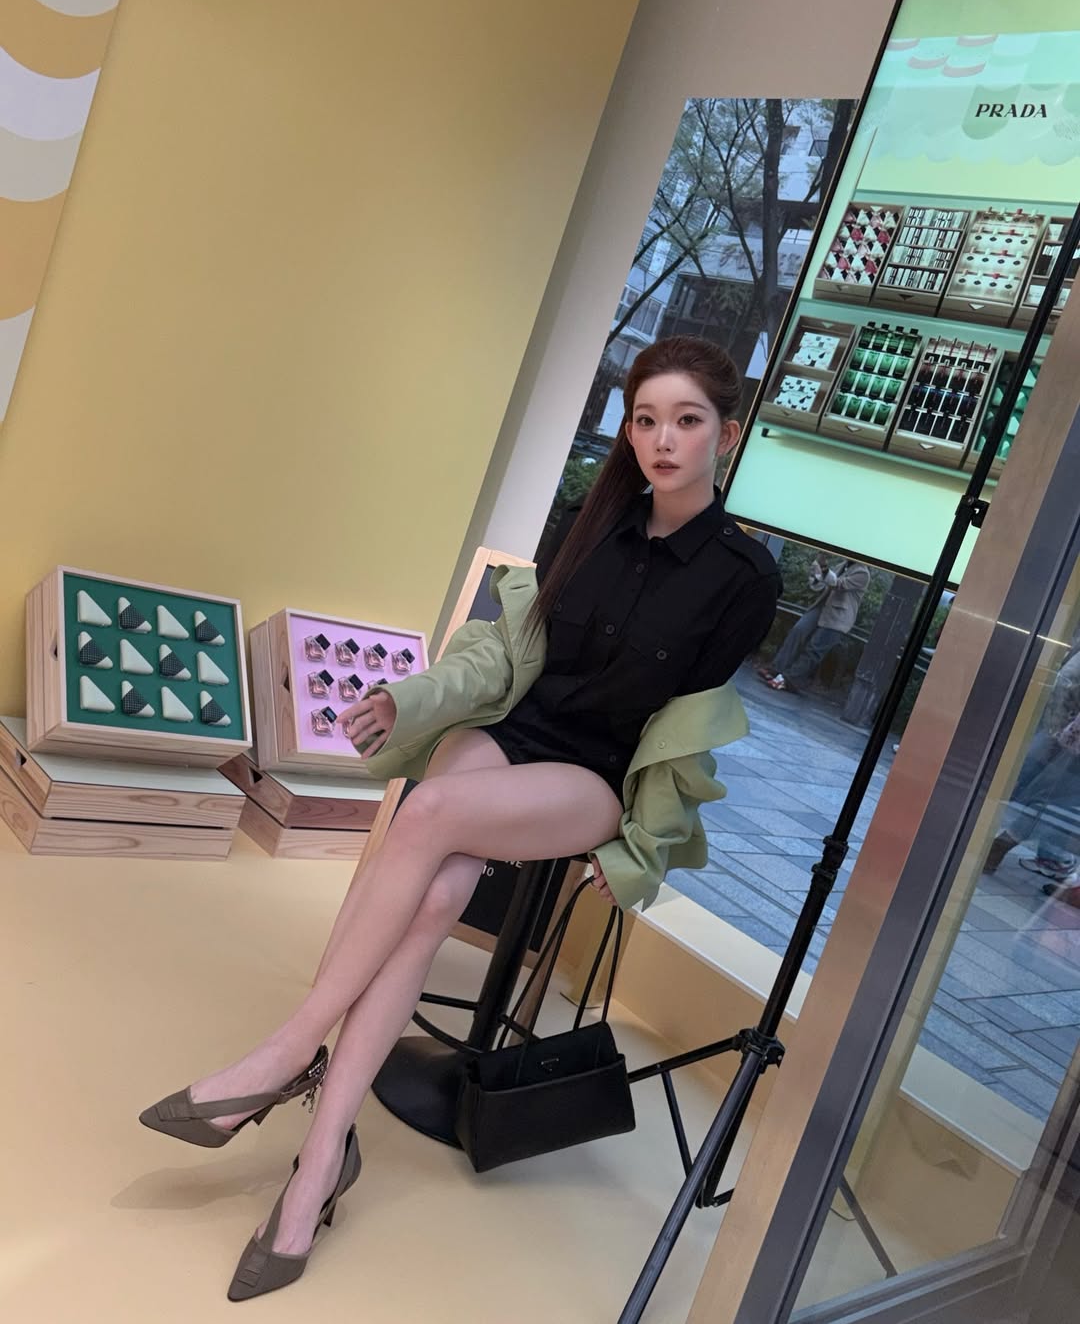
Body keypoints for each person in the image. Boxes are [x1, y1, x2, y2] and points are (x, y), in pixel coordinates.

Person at [138, 335, 781, 1301]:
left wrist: (644, 847)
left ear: (725, 435)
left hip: (594, 773)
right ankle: (319, 1162)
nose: (661, 440)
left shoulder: (745, 578)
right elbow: (500, 654)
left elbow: (685, 731)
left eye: (686, 421)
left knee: (431, 814)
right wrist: (410, 698)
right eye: (645, 419)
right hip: (512, 730)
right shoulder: (587, 522)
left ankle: (286, 1052)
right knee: (436, 892)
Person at [983, 643, 1080, 876]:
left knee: (1048, 795)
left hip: (1066, 734)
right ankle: (1000, 844)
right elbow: (1066, 680)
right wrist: (1058, 729)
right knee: (1052, 798)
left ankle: (1000, 843)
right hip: (1067, 738)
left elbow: (1066, 679)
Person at [759, 555, 870, 694]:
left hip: (838, 618)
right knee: (798, 631)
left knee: (814, 649)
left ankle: (788, 680)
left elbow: (837, 584)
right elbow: (821, 585)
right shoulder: (842, 565)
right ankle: (776, 669)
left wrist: (824, 568)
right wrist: (816, 574)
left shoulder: (862, 573)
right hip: (821, 607)